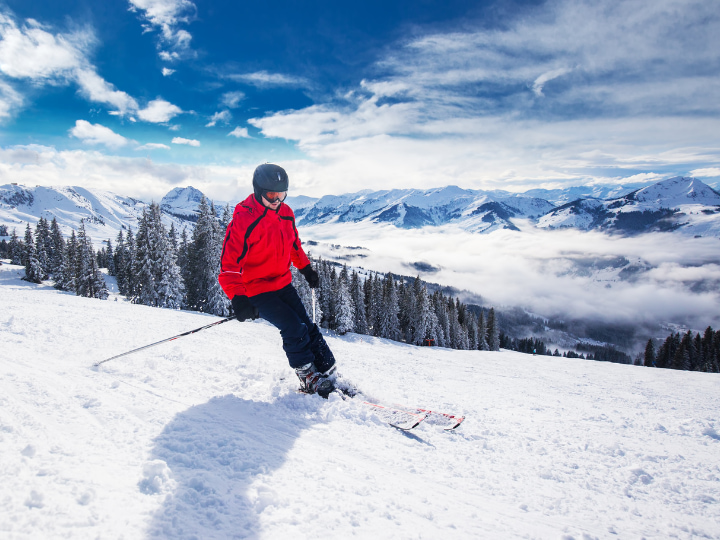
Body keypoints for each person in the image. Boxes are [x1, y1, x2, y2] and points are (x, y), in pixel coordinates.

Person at [218, 163, 337, 398]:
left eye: (281, 195)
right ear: (257, 190)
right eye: (271, 195)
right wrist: (238, 298)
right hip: (256, 290)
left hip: (282, 283)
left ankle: (327, 369)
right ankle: (307, 377)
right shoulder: (244, 219)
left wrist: (306, 269)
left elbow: (294, 246)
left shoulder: (286, 213)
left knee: (307, 325)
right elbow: (228, 266)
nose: (276, 200)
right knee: (293, 328)